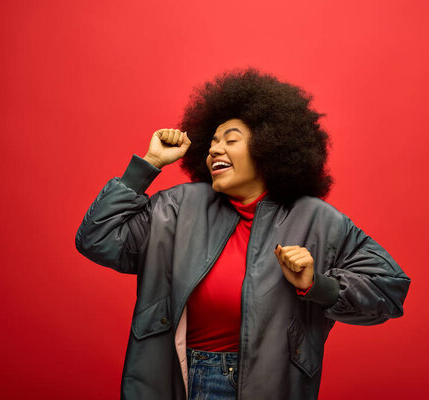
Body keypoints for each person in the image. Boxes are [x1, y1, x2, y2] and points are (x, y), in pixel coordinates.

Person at [75, 68, 410, 400]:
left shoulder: (317, 220)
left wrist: (315, 285)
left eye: (230, 140)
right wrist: (148, 163)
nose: (214, 150)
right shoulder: (178, 207)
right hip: (174, 380)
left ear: (269, 147)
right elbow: (97, 238)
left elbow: (389, 290)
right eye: (212, 143)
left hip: (268, 386)